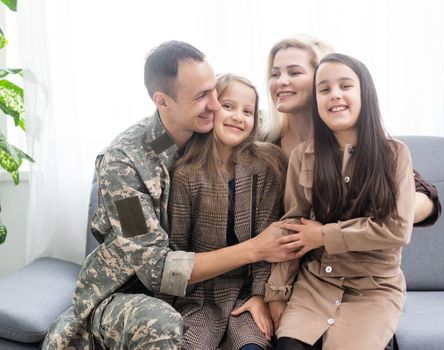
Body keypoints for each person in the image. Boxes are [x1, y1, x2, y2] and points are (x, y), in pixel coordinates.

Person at [43, 41, 295, 350]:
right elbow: (158, 270)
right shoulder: (124, 167)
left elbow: (267, 128)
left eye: (214, 90)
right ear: (163, 101)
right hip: (127, 293)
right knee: (161, 322)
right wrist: (256, 248)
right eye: (202, 96)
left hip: (203, 294)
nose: (216, 105)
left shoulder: (205, 132)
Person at [265, 53, 416, 349]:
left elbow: (397, 229)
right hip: (316, 285)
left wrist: (322, 234)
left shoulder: (395, 154)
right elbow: (292, 226)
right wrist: (277, 293)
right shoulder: (302, 156)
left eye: (345, 86)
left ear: (365, 94)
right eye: (324, 89)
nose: (334, 95)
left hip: (374, 289)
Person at [262, 35, 439, 225]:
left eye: (294, 73)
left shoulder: (355, 141)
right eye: (275, 74)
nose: (281, 82)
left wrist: (370, 225)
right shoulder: (262, 142)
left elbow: (428, 201)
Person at [169, 73, 286, 350]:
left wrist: (259, 295)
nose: (238, 117)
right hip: (200, 296)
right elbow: (177, 253)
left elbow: (267, 244)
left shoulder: (265, 168)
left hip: (246, 292)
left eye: (248, 111)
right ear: (211, 108)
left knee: (253, 345)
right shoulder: (186, 174)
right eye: (229, 106)